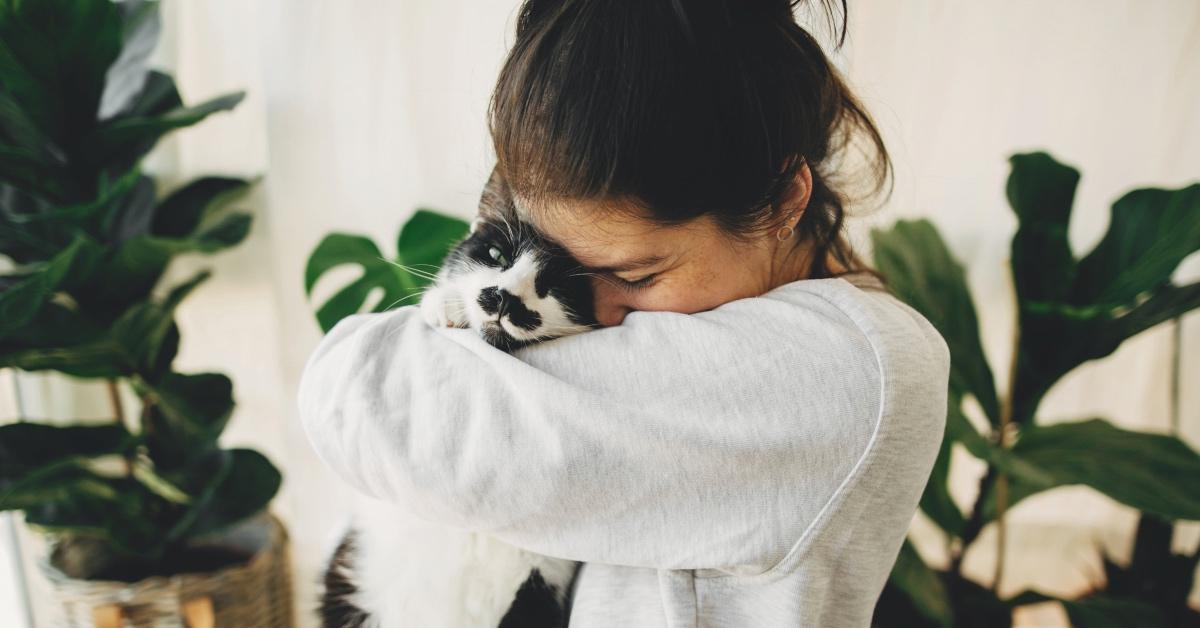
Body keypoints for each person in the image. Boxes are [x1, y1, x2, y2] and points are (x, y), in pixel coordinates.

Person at [297, 0, 950, 626]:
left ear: (783, 202)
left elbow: (356, 398)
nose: (600, 314)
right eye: (571, 272)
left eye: (637, 275)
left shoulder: (844, 369)